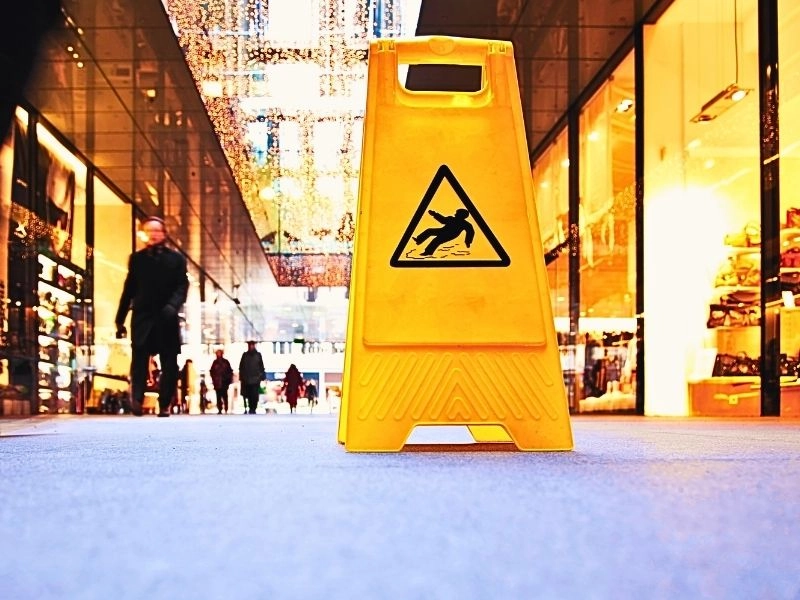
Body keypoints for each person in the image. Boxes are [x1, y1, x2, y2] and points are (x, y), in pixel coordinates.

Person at [115, 216, 188, 418]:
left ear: (164, 234)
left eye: (157, 230)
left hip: (167, 317)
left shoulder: (176, 260)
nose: (153, 234)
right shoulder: (137, 259)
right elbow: (129, 289)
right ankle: (136, 399)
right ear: (144, 234)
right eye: (149, 231)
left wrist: (173, 306)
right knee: (139, 359)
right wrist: (119, 320)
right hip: (143, 317)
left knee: (169, 363)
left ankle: (164, 403)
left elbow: (182, 286)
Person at [238, 340, 264, 415]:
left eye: (252, 345)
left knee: (254, 395)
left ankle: (253, 408)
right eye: (250, 345)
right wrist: (242, 377)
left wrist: (261, 376)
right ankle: (250, 407)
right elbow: (241, 367)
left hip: (255, 379)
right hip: (247, 379)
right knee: (248, 394)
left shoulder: (258, 355)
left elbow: (261, 366)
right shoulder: (245, 355)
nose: (251, 347)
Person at [209, 348, 233, 414]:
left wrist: (228, 379)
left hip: (224, 382)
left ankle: (226, 408)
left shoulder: (225, 362)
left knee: (225, 396)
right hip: (217, 383)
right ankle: (220, 409)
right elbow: (212, 372)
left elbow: (230, 371)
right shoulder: (215, 362)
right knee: (218, 396)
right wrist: (214, 379)